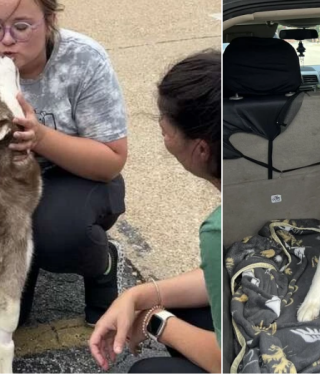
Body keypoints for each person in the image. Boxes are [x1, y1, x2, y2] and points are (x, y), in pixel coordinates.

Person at [0, 0, 128, 331]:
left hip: (75, 178)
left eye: (22, 27)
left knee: (58, 233)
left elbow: (111, 161)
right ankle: (23, 263)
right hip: (2, 188)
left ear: (50, 20)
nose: (6, 40)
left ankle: (102, 264)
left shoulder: (83, 60)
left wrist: (40, 137)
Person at [89, 50, 221, 374]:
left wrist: (153, 318)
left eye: (166, 122)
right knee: (187, 310)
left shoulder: (217, 228)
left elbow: (231, 360)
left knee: (146, 371)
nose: (160, 124)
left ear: (201, 148)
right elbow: (221, 275)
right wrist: (141, 295)